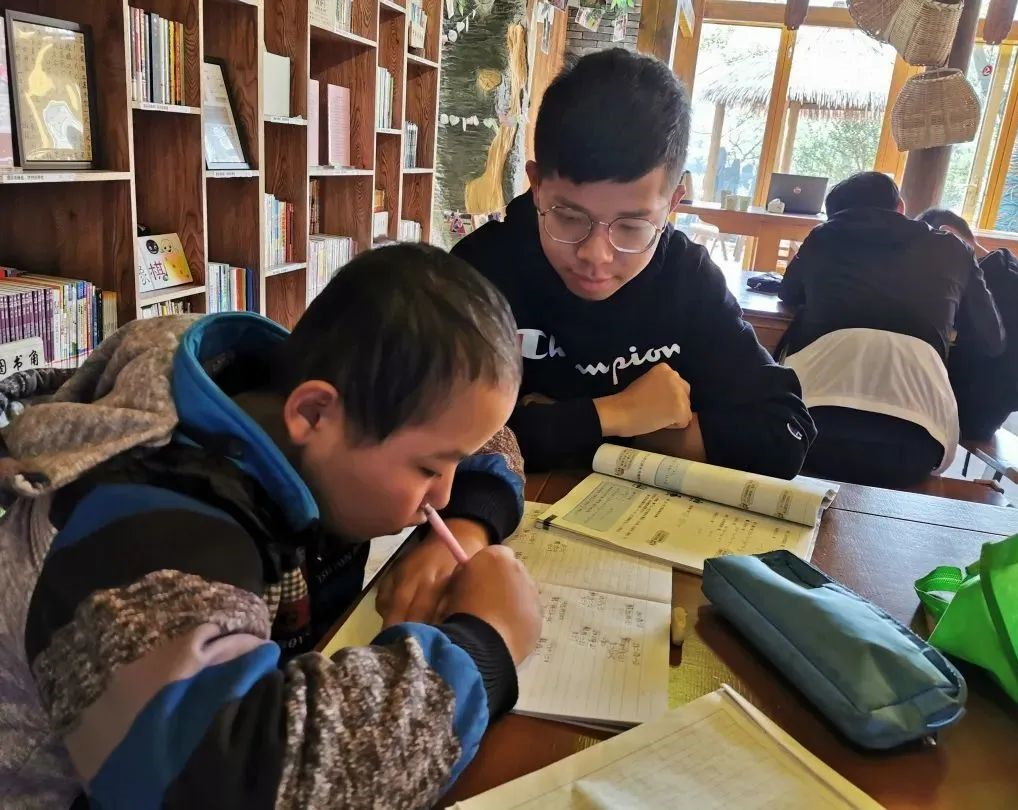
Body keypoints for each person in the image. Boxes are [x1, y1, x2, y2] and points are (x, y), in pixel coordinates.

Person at [0, 244, 541, 808]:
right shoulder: (157, 534)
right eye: (429, 469)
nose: (443, 493)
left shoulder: (287, 395)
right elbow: (236, 781)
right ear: (313, 413)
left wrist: (463, 528)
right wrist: (483, 645)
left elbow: (488, 438)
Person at [452, 48, 815, 477]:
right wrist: (620, 412)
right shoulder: (477, 275)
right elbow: (444, 432)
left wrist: (575, 425)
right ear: (536, 186)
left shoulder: (687, 278)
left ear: (673, 204)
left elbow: (785, 435)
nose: (596, 255)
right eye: (569, 217)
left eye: (631, 226)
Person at [777, 173, 1006, 488]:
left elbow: (788, 293)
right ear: (901, 207)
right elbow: (991, 340)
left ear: (834, 217)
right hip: (920, 438)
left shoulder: (823, 238)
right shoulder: (953, 250)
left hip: (809, 425)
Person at [916, 208, 1018, 441]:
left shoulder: (984, 283)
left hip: (972, 409)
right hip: (998, 406)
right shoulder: (1011, 273)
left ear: (950, 235)